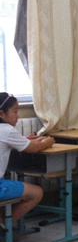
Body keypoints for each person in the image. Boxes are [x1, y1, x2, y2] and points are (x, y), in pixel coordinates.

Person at [0, 93, 54, 230]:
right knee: (37, 192)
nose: (18, 116)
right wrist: (48, 142)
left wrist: (25, 140)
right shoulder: (7, 130)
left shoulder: (5, 132)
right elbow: (34, 148)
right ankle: (4, 226)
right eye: (15, 111)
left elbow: (7, 143)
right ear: (2, 113)